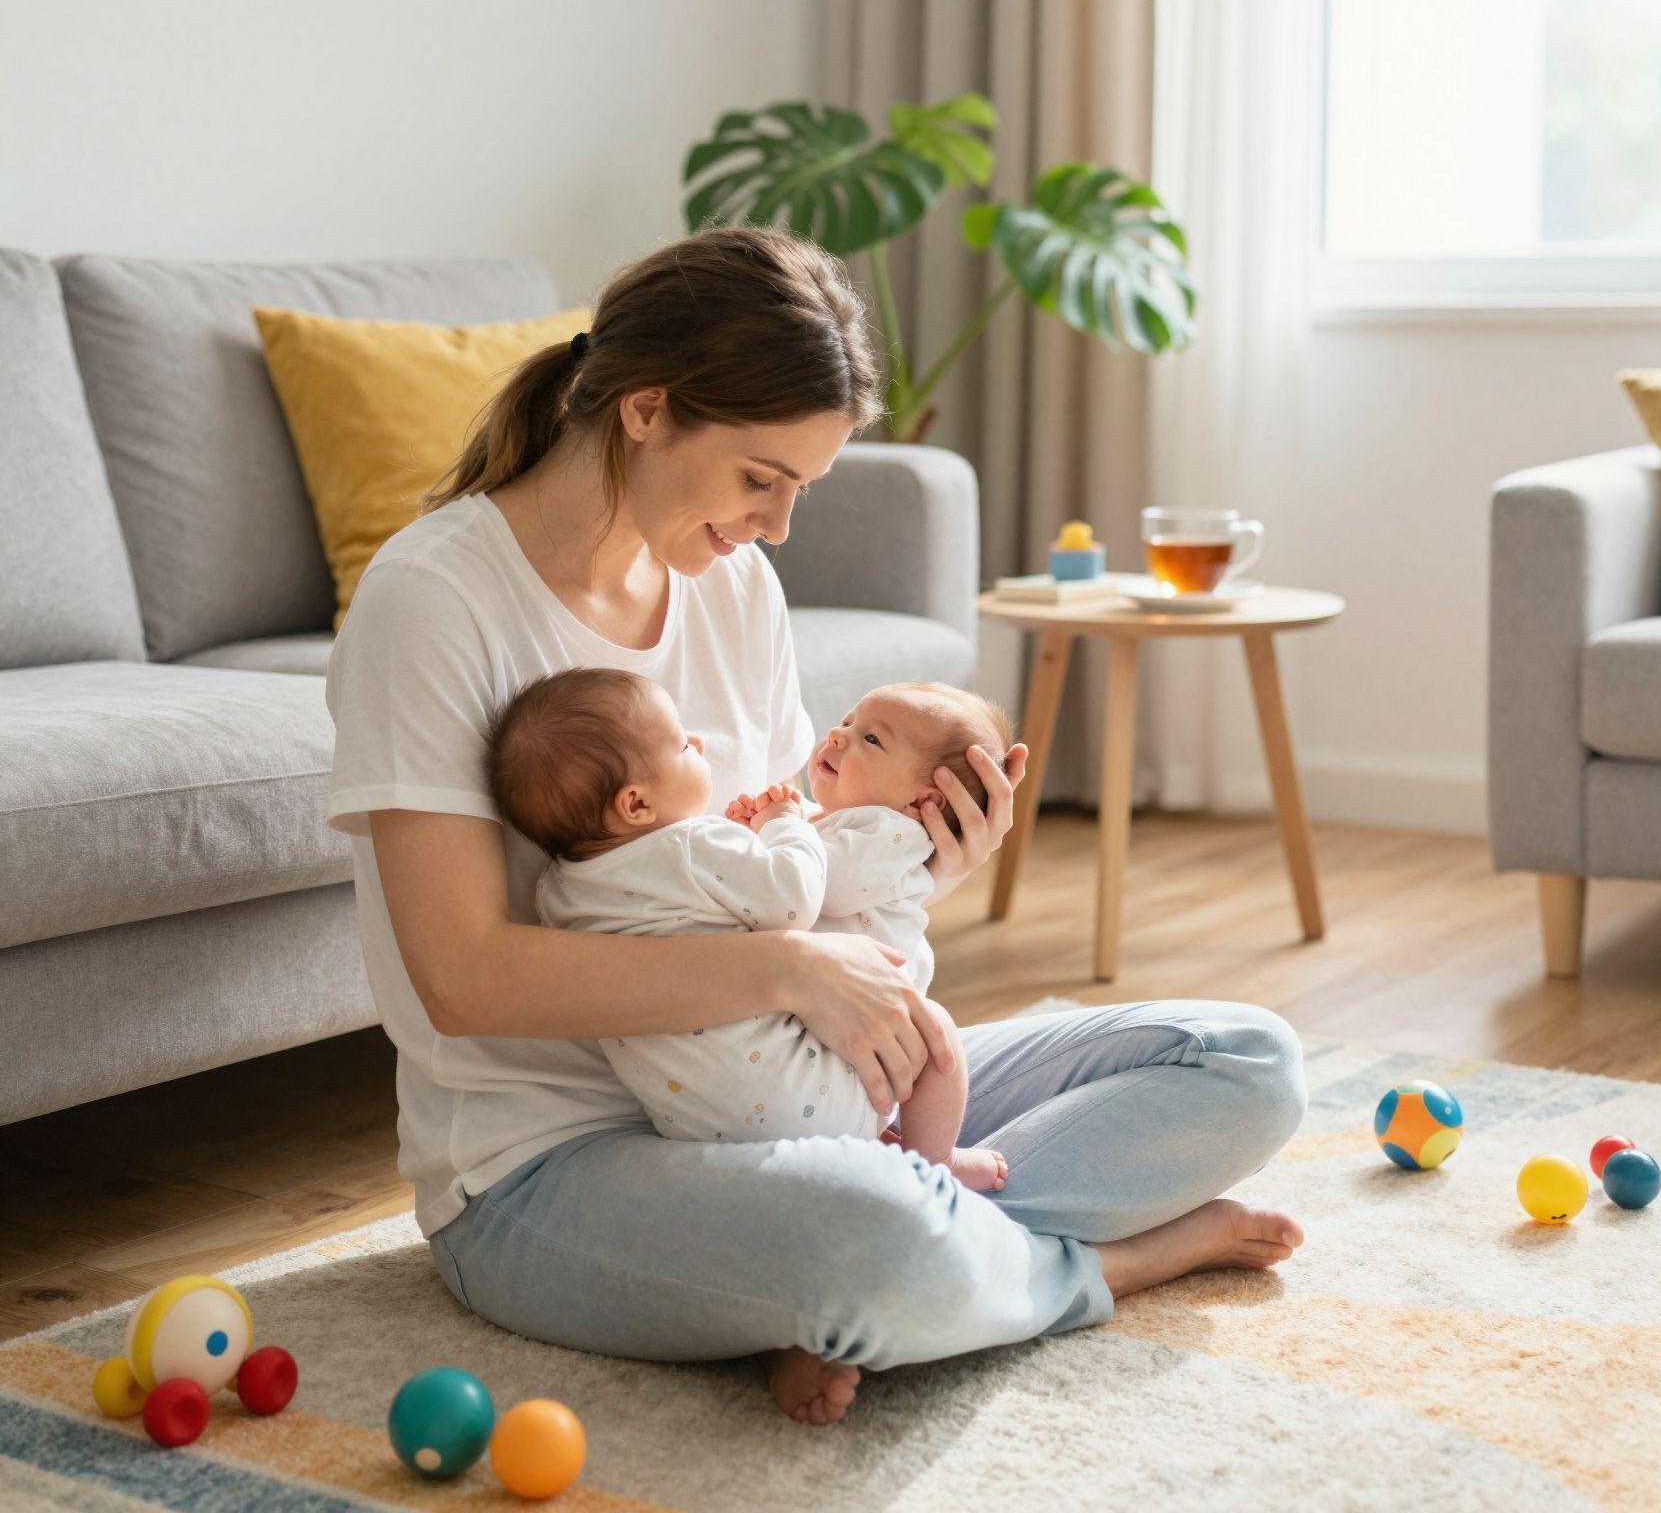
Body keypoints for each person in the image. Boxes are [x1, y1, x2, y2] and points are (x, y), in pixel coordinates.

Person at [324, 224, 1308, 1427]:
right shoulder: (436, 599)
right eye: (759, 479)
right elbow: (460, 979)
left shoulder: (730, 582)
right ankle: (1098, 1266)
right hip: (548, 1168)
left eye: (800, 488)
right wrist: (787, 966)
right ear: (646, 410)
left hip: (806, 1091)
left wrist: (914, 861)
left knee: (1245, 1062)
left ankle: (889, 1284)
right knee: (876, 1238)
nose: (779, 527)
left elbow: (783, 862)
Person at [484, 666, 1010, 1194]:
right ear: (638, 804)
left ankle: (890, 1154)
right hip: (811, 1086)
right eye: (681, 746)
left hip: (695, 1121)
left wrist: (776, 830)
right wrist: (780, 823)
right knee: (937, 1038)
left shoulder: (559, 892)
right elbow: (795, 897)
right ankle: (933, 1162)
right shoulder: (693, 847)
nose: (837, 734)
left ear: (926, 804)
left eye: (867, 737)